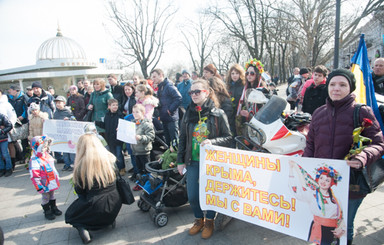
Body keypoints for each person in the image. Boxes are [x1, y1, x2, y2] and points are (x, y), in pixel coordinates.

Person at [304, 68, 384, 245]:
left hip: (352, 184)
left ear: (350, 88)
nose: (336, 89)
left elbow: (379, 143)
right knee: (324, 225)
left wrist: (362, 158)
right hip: (323, 186)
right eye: (332, 84)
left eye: (342, 84)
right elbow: (310, 144)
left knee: (344, 227)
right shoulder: (318, 114)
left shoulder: (362, 112)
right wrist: (304, 166)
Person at [177, 79, 232, 239]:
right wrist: (180, 161)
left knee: (211, 194)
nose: (193, 95)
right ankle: (198, 220)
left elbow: (229, 137)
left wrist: (212, 141)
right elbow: (182, 139)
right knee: (192, 196)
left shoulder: (218, 114)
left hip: (212, 162)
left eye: (197, 92)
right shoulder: (187, 113)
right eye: (191, 92)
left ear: (206, 93)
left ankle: (209, 221)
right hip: (193, 161)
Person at [65, 133, 122, 244]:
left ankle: (84, 231)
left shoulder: (81, 167)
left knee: (70, 214)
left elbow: (80, 191)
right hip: (115, 202)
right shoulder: (110, 159)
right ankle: (107, 220)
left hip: (96, 205)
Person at [289, 161, 345, 244]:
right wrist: (291, 169)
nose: (323, 182)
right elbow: (297, 189)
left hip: (332, 230)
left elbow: (341, 216)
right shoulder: (312, 194)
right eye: (321, 178)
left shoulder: (335, 199)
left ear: (331, 183)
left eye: (327, 180)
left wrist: (341, 229)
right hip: (317, 227)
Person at [29, 136, 62, 220]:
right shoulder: (34, 160)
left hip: (51, 180)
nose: (45, 148)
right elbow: (34, 175)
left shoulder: (46, 156)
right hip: (44, 182)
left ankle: (53, 207)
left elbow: (52, 167)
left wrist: (56, 176)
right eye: (43, 147)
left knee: (52, 194)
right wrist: (38, 186)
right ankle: (47, 210)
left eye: (46, 146)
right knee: (45, 197)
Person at [151, 68, 182, 145]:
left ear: (161, 75)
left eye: (154, 77)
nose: (153, 79)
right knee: (168, 142)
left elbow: (179, 98)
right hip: (164, 117)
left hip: (171, 118)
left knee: (174, 142)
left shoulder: (168, 86)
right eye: (152, 77)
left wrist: (170, 110)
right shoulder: (161, 87)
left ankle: (176, 157)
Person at [95, 99, 125, 175]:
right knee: (113, 154)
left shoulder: (120, 115)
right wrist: (96, 123)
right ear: (109, 106)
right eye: (113, 105)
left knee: (119, 154)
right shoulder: (107, 115)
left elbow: (123, 126)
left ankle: (122, 168)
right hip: (110, 139)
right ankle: (115, 168)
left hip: (118, 139)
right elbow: (105, 125)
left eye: (116, 105)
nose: (115, 106)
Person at [130, 104, 155, 191]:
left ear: (143, 113)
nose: (135, 114)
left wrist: (140, 137)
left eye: (137, 112)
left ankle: (149, 185)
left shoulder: (147, 124)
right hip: (135, 150)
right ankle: (141, 183)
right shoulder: (132, 123)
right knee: (139, 169)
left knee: (147, 170)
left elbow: (151, 137)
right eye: (133, 112)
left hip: (144, 151)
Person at [53, 96, 75, 171]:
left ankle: (73, 164)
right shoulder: (56, 113)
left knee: (71, 150)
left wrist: (69, 119)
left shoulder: (68, 111)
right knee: (65, 150)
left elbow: (74, 119)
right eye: (56, 103)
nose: (58, 104)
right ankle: (67, 164)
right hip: (62, 135)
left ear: (64, 103)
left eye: (59, 103)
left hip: (70, 134)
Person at [225, 64, 246, 137]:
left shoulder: (244, 86)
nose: (234, 76)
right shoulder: (228, 86)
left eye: (237, 73)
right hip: (230, 116)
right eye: (232, 73)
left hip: (240, 116)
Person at [0, 112, 13, 177]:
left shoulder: (2, 116)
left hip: (2, 138)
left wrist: (3, 131)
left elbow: (10, 125)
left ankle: (9, 168)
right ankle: (1, 169)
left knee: (5, 153)